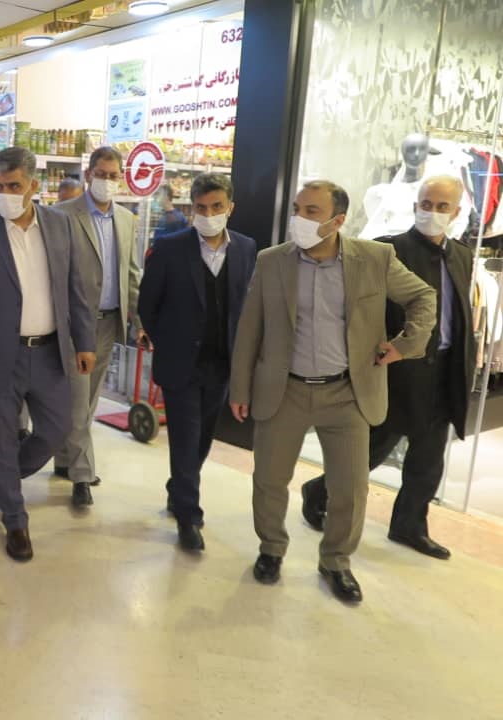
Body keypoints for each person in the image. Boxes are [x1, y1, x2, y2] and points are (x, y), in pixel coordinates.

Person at [229, 180, 435, 604]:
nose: (299, 219)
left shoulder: (374, 258)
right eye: (297, 208)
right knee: (269, 480)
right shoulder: (272, 261)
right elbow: (250, 327)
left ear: (338, 220)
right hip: (284, 390)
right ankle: (271, 549)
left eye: (312, 212)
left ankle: (336, 560)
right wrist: (240, 387)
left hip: (347, 392)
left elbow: (423, 296)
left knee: (351, 488)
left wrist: (405, 344)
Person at [300, 176, 474, 560]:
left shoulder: (461, 255)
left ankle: (410, 525)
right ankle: (319, 491)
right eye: (426, 204)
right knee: (372, 449)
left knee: (428, 458)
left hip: (445, 370)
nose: (432, 212)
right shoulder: (386, 250)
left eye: (442, 207)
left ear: (456, 212)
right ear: (415, 205)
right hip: (397, 369)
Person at [0, 146, 96, 562]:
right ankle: (14, 518)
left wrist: (84, 341)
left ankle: (6, 473)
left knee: (58, 428)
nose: (5, 194)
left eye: (13, 186)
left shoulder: (60, 225)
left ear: (33, 185)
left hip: (50, 354)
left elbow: (75, 287)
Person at [137, 172, 256, 551]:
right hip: (181, 365)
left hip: (221, 364)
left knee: (203, 438)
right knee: (185, 439)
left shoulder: (246, 249)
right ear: (192, 209)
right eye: (201, 208)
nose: (208, 214)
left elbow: (247, 304)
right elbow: (148, 304)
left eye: (216, 207)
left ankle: (178, 488)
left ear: (230, 208)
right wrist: (169, 341)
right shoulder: (170, 248)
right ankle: (189, 516)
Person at [50, 147, 141, 503]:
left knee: (88, 399)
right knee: (78, 402)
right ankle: (82, 476)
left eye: (113, 175)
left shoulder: (127, 219)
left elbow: (131, 273)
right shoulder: (62, 215)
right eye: (101, 174)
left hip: (109, 322)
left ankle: (64, 460)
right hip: (75, 324)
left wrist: (138, 320)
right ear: (88, 175)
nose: (107, 181)